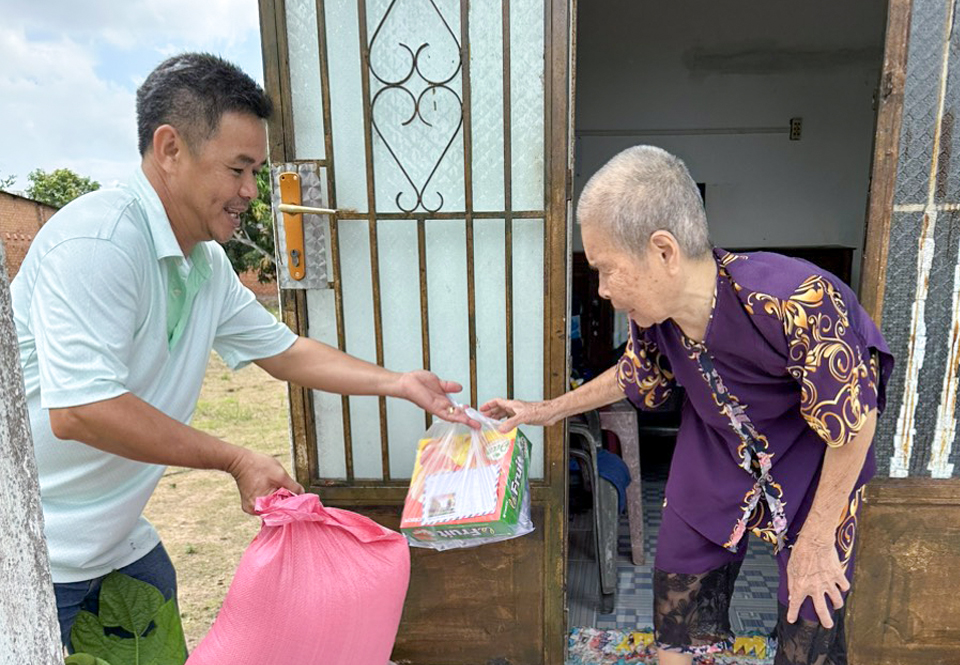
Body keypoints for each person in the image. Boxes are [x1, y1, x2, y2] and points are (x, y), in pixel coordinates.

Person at [11, 52, 476, 649]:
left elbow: (285, 351)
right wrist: (235, 459)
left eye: (255, 171)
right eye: (238, 169)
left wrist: (398, 383)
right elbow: (83, 409)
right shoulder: (97, 244)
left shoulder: (203, 264)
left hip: (118, 542)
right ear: (170, 148)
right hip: (37, 556)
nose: (250, 192)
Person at [482, 145, 893, 665]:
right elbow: (634, 375)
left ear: (663, 251)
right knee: (677, 611)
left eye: (607, 270)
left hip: (815, 465)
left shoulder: (798, 301)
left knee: (809, 617)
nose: (604, 290)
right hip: (715, 457)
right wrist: (545, 411)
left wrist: (815, 539)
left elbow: (856, 423)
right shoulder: (653, 317)